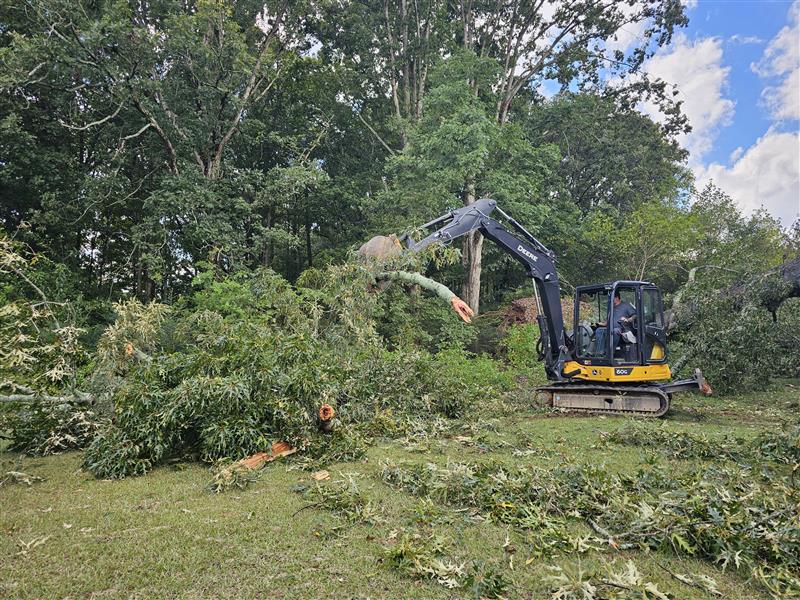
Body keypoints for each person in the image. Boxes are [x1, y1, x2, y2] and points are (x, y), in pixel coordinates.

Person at [357, 234, 474, 323]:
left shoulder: (384, 274)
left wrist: (452, 298)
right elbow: (419, 279)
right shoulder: (378, 275)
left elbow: (422, 280)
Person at [594, 291, 636, 355]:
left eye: (612, 298)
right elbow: (607, 322)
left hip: (622, 330)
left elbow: (635, 315)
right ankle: (599, 352)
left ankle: (610, 352)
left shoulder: (626, 306)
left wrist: (628, 319)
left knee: (615, 331)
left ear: (616, 297)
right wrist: (600, 324)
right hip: (610, 329)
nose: (610, 300)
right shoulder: (611, 308)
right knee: (599, 330)